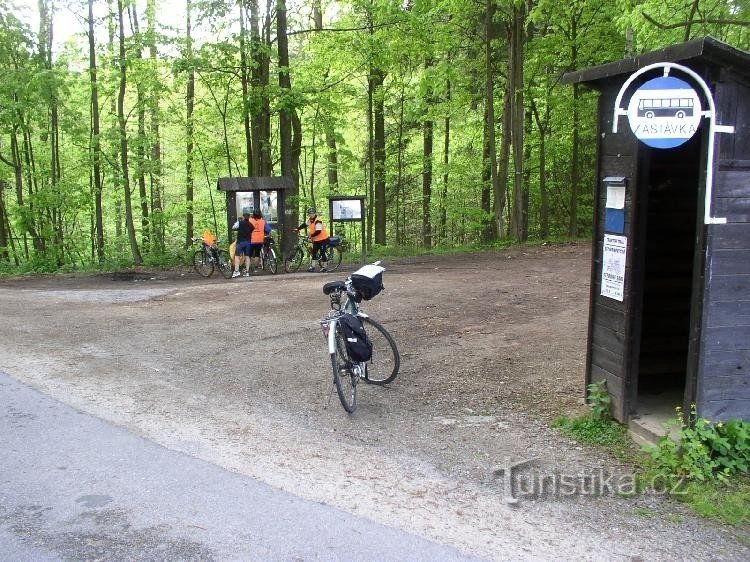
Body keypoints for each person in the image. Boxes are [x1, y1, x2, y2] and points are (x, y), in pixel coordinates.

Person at [295, 207, 330, 272]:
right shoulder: (310, 220)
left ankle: (325, 267)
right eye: (309, 213)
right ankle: (312, 267)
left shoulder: (318, 220)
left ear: (314, 213)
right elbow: (305, 225)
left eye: (312, 213)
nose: (311, 215)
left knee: (322, 252)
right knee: (314, 252)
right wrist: (298, 228)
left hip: (323, 239)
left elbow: (318, 231)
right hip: (316, 239)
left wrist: (311, 235)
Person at [232, 208, 254, 278]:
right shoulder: (251, 225)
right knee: (247, 257)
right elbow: (252, 229)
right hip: (248, 242)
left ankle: (236, 271)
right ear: (249, 216)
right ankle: (247, 272)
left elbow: (233, 227)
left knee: (237, 256)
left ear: (243, 216)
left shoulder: (239, 222)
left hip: (240, 242)